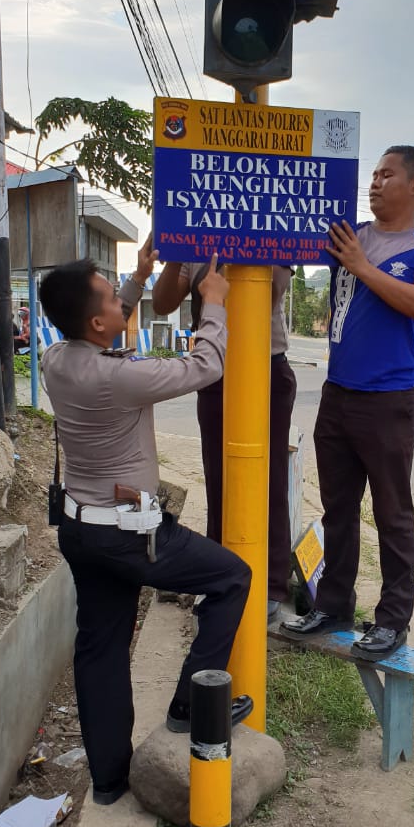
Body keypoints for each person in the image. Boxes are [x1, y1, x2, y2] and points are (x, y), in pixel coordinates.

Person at [39, 242, 253, 806]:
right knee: (232, 578)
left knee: (101, 648)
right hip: (130, 534)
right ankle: (192, 703)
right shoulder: (120, 379)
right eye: (113, 298)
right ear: (95, 320)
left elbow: (107, 322)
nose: (121, 301)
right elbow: (206, 366)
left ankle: (109, 781)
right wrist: (213, 302)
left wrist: (138, 275)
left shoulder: (56, 359)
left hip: (80, 532)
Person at [282, 145, 414, 661]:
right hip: (337, 394)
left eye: (387, 174)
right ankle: (332, 605)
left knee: (392, 512)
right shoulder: (347, 234)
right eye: (374, 174)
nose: (375, 182)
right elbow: (285, 230)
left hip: (390, 399)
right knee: (338, 510)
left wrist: (361, 266)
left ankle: (393, 621)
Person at [152, 262, 296, 621]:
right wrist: (175, 248)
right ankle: (221, 575)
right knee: (219, 477)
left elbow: (271, 290)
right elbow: (162, 303)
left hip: (266, 367)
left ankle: (271, 583)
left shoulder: (268, 223)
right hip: (216, 372)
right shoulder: (195, 243)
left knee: (270, 477)